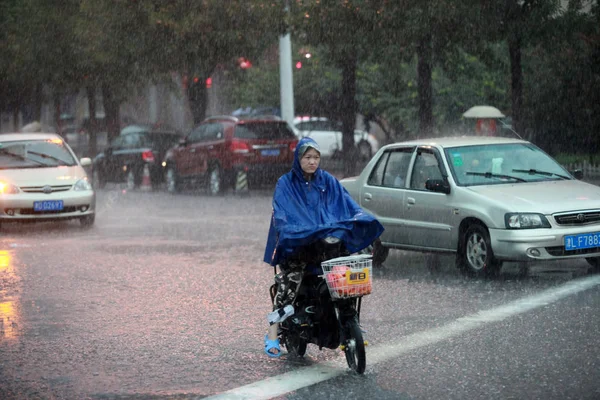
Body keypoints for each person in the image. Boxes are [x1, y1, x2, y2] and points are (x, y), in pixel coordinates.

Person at [263, 137, 384, 357]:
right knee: (291, 280)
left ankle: (349, 319)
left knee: (348, 269)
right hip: (300, 245)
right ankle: (272, 333)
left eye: (316, 157)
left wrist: (359, 218)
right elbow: (282, 214)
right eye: (307, 157)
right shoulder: (285, 184)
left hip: (325, 245)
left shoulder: (327, 181)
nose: (312, 162)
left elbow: (346, 204)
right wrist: (296, 230)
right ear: (298, 158)